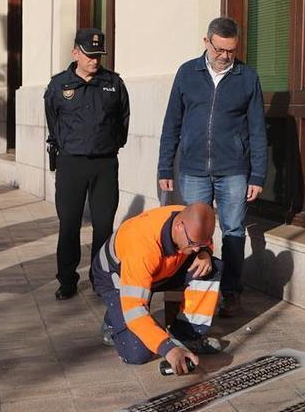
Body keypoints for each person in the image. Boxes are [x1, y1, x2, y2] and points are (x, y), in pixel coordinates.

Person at [157, 17, 267, 317]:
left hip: (233, 169)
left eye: (231, 51)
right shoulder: (187, 73)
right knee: (195, 233)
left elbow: (258, 129)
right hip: (193, 169)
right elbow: (172, 123)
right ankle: (196, 290)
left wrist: (257, 174)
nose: (224, 56)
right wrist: (165, 167)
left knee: (232, 230)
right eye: (219, 49)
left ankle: (230, 291)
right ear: (207, 42)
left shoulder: (247, 77)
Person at [44, 28, 130, 300]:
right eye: (89, 55)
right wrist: (68, 146)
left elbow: (123, 121)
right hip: (72, 164)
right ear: (75, 53)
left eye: (99, 55)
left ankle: (100, 278)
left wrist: (110, 146)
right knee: (69, 224)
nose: (95, 60)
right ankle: (67, 280)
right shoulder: (59, 85)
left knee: (104, 226)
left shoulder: (113, 83)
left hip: (105, 164)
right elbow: (53, 122)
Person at [93, 203, 223, 374]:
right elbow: (135, 309)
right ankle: (113, 318)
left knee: (210, 267)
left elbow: (202, 240)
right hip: (115, 277)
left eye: (202, 243)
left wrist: (205, 252)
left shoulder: (189, 222)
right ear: (178, 226)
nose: (196, 249)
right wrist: (168, 349)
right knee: (137, 354)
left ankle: (187, 335)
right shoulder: (142, 246)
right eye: (193, 244)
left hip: (159, 271)